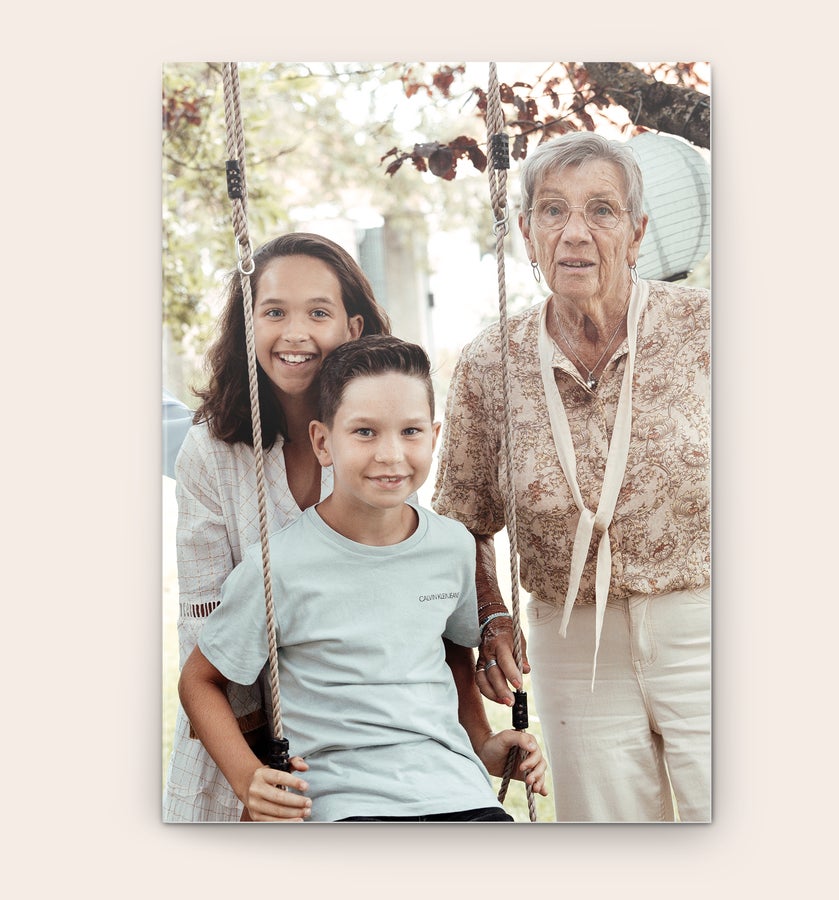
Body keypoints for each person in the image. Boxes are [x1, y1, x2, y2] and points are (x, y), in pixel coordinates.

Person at [432, 131, 710, 823]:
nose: (575, 233)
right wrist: (491, 611)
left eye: (601, 210)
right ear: (526, 232)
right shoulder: (490, 362)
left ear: (638, 231)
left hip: (706, 624)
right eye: (553, 210)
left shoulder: (706, 329)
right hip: (570, 641)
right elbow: (462, 521)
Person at [178, 335, 547, 822]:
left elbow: (451, 653)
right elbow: (199, 681)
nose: (391, 454)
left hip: (458, 794)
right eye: (365, 432)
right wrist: (248, 779)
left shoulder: (452, 545)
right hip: (343, 801)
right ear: (323, 442)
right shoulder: (278, 565)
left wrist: (483, 742)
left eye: (410, 431)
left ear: (434, 437)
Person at [163, 232, 392, 822]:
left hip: (356, 729)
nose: (295, 333)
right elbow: (203, 631)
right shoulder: (211, 453)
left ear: (354, 328)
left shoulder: (379, 440)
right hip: (237, 740)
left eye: (318, 313)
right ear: (248, 325)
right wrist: (252, 778)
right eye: (273, 312)